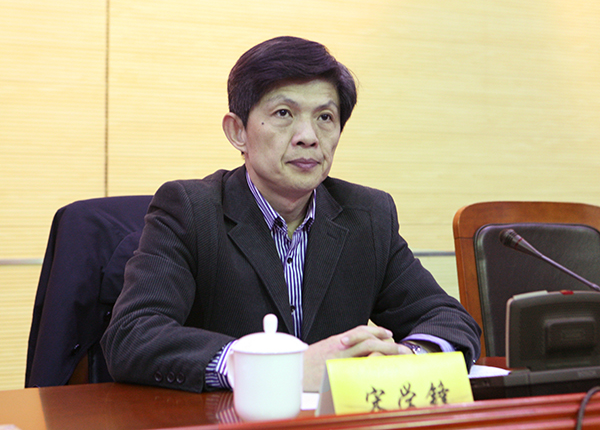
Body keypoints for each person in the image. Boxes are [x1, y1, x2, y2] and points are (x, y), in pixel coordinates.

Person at [101, 36, 481, 393]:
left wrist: (408, 358)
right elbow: (133, 335)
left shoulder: (367, 216)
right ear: (238, 132)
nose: (308, 136)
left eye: (325, 117)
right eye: (284, 113)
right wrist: (275, 368)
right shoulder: (189, 210)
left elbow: (449, 319)